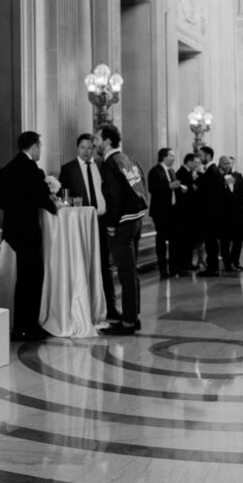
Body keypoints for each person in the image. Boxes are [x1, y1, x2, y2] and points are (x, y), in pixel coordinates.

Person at [0, 131, 58, 340]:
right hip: (29, 232)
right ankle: (29, 326)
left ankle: (20, 326)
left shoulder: (6, 170)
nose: (40, 151)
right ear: (34, 147)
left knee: (20, 280)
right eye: (40, 146)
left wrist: (14, 206)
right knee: (32, 279)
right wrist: (55, 207)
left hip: (11, 232)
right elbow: (43, 200)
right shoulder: (33, 171)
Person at [59, 133, 119, 320]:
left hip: (101, 221)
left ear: (94, 148)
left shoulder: (102, 166)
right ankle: (83, 309)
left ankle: (110, 307)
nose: (86, 151)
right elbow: (64, 199)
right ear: (78, 148)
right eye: (83, 147)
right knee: (82, 264)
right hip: (80, 224)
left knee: (105, 265)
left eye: (89, 147)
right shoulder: (68, 169)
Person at [96, 124, 148, 335]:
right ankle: (132, 317)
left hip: (123, 224)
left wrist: (111, 224)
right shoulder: (128, 159)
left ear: (108, 140)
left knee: (126, 273)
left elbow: (114, 196)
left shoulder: (110, 163)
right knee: (131, 272)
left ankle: (127, 323)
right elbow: (141, 185)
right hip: (136, 220)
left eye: (98, 138)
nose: (95, 143)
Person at [147, 147, 183, 278]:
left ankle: (174, 268)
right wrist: (169, 186)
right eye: (171, 156)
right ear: (164, 157)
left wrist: (180, 188)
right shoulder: (155, 171)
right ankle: (163, 269)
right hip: (160, 211)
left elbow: (173, 186)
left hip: (173, 210)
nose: (174, 158)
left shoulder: (172, 171)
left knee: (174, 240)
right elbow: (152, 189)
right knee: (161, 240)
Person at [196, 145, 225, 276]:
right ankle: (213, 267)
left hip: (210, 214)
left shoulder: (211, 171)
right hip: (213, 213)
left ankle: (212, 268)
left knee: (210, 242)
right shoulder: (212, 171)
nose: (199, 158)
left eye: (201, 155)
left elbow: (210, 195)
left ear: (208, 156)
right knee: (211, 242)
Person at [218, 155, 243, 271]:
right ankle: (227, 263)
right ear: (220, 164)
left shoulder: (238, 176)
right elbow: (215, 192)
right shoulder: (218, 177)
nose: (228, 165)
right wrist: (224, 184)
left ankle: (235, 259)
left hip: (238, 211)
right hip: (224, 213)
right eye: (225, 163)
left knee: (240, 237)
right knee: (225, 239)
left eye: (229, 163)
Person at [174, 152, 201, 274]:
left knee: (189, 241)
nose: (197, 164)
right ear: (189, 162)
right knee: (184, 240)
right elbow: (183, 193)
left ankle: (188, 263)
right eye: (196, 162)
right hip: (184, 213)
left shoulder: (189, 173)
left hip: (191, 213)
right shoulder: (181, 173)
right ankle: (183, 264)